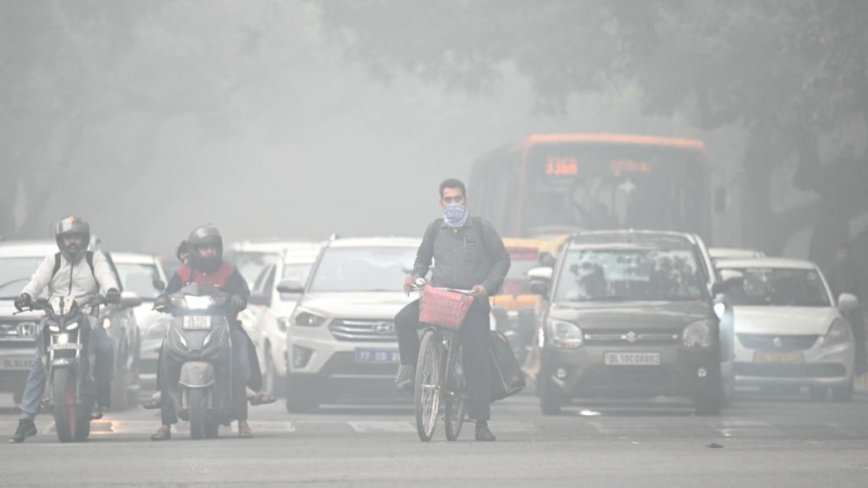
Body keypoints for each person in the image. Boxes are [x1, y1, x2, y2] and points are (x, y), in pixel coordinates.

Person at [394, 178, 510, 442]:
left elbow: (503, 259)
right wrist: (415, 275)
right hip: (440, 300)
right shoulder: (435, 230)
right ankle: (411, 371)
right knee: (402, 320)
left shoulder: (482, 227)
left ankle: (481, 423)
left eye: (458, 199)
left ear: (466, 201)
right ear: (441, 203)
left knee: (476, 357)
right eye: (448, 200)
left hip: (472, 303)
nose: (454, 204)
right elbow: (422, 259)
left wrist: (487, 286)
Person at [10, 216, 121, 443]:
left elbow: (107, 277)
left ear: (84, 239)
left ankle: (101, 391)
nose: (72, 242)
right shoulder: (53, 260)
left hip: (86, 317)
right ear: (61, 240)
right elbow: (37, 281)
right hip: (54, 317)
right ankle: (26, 420)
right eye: (68, 238)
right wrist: (26, 295)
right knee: (38, 364)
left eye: (76, 237)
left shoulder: (95, 259)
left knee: (105, 347)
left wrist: (111, 290)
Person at [150, 225, 262, 440]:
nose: (210, 252)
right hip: (184, 326)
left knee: (237, 354)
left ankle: (243, 420)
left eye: (213, 248)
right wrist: (163, 300)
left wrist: (238, 298)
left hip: (223, 326)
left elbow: (241, 291)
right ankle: (165, 423)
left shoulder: (228, 271)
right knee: (167, 354)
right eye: (204, 248)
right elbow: (169, 293)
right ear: (194, 251)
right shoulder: (183, 273)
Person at [825, 242, 867, 374]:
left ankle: (860, 366)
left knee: (858, 337)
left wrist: (862, 301)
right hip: (836, 311)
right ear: (836, 253)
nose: (843, 255)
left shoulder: (856, 270)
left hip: (854, 309)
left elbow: (862, 288)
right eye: (840, 252)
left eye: (845, 252)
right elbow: (826, 291)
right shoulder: (830, 270)